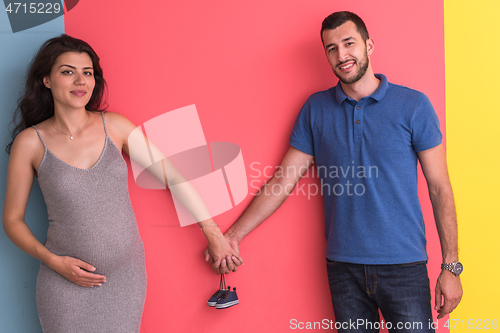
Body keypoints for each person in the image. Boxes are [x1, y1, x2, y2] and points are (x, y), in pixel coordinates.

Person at [205, 11, 462, 331]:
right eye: (331, 48)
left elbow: (439, 187)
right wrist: (231, 236)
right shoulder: (316, 109)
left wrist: (451, 267)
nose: (342, 55)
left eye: (349, 43)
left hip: (404, 267)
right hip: (344, 268)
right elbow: (283, 180)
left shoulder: (413, 105)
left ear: (369, 45)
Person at [2, 34, 241, 333]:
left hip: (125, 279)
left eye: (87, 72)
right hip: (63, 282)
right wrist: (53, 261)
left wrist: (213, 233)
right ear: (46, 80)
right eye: (67, 72)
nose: (80, 81)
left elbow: (174, 178)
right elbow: (12, 220)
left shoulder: (115, 126)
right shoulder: (31, 143)